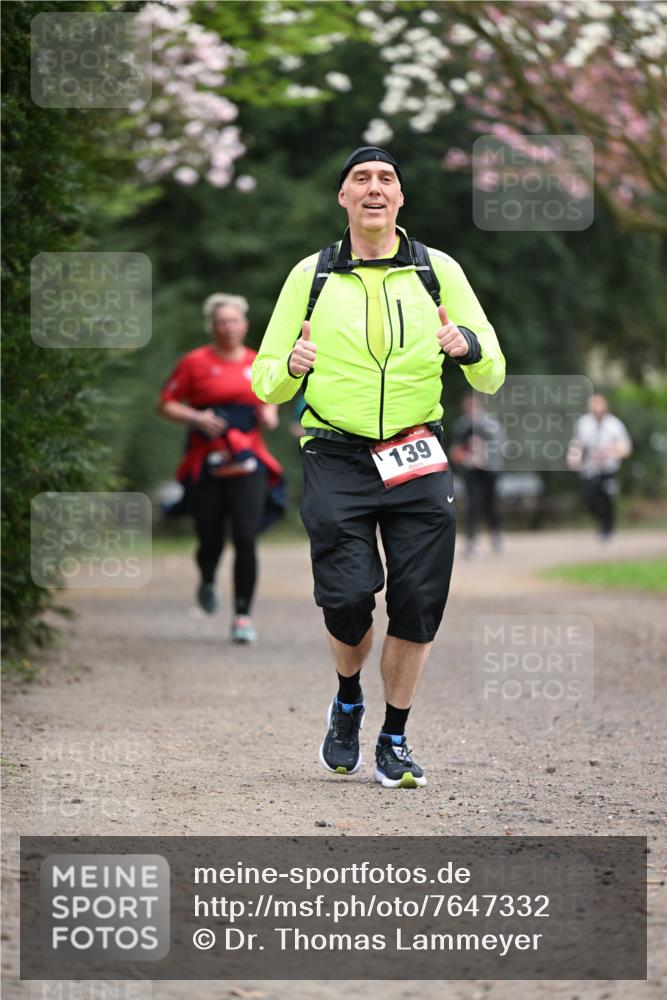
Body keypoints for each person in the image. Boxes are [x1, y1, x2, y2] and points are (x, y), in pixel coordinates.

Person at [252, 146, 505, 787]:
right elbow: (264, 381)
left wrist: (468, 346)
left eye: (386, 179)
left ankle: (394, 736)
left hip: (417, 452)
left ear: (400, 197)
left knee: (418, 600)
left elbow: (493, 372)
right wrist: (290, 368)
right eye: (360, 179)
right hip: (336, 454)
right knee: (347, 600)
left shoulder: (436, 271)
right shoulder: (311, 275)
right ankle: (347, 700)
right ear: (343, 197)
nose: (374, 188)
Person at [158, 293, 283, 643]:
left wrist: (269, 413)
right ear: (211, 327)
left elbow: (271, 399)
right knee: (210, 537)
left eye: (234, 321)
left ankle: (242, 616)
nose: (228, 327)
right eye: (222, 322)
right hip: (207, 459)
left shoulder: (258, 361)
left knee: (245, 536)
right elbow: (165, 403)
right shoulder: (194, 362)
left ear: (244, 325)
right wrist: (196, 417)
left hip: (248, 459)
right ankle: (208, 577)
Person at [567, 393, 632, 539]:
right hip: (590, 469)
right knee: (589, 498)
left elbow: (626, 448)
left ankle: (608, 529)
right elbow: (577, 444)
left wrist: (613, 452)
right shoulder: (584, 423)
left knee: (607, 499)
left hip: (609, 469)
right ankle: (602, 522)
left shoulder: (615, 425)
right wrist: (573, 459)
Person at [451, 393, 506, 558]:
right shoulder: (462, 425)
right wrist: (462, 456)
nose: (472, 410)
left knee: (490, 503)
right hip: (471, 471)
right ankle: (471, 542)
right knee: (472, 505)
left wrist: (484, 457)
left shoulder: (491, 424)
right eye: (469, 408)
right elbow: (457, 448)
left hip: (490, 470)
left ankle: (495, 533)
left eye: (474, 407)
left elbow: (501, 446)